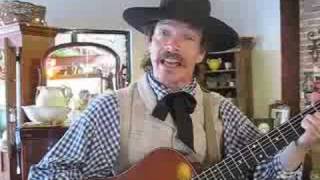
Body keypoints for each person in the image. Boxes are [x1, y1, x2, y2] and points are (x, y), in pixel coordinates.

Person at [29, 0, 320, 179]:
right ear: (151, 41)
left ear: (201, 53)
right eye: (164, 33)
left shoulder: (222, 110)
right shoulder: (110, 108)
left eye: (187, 38)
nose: (172, 45)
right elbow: (46, 173)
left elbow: (265, 172)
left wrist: (300, 145)